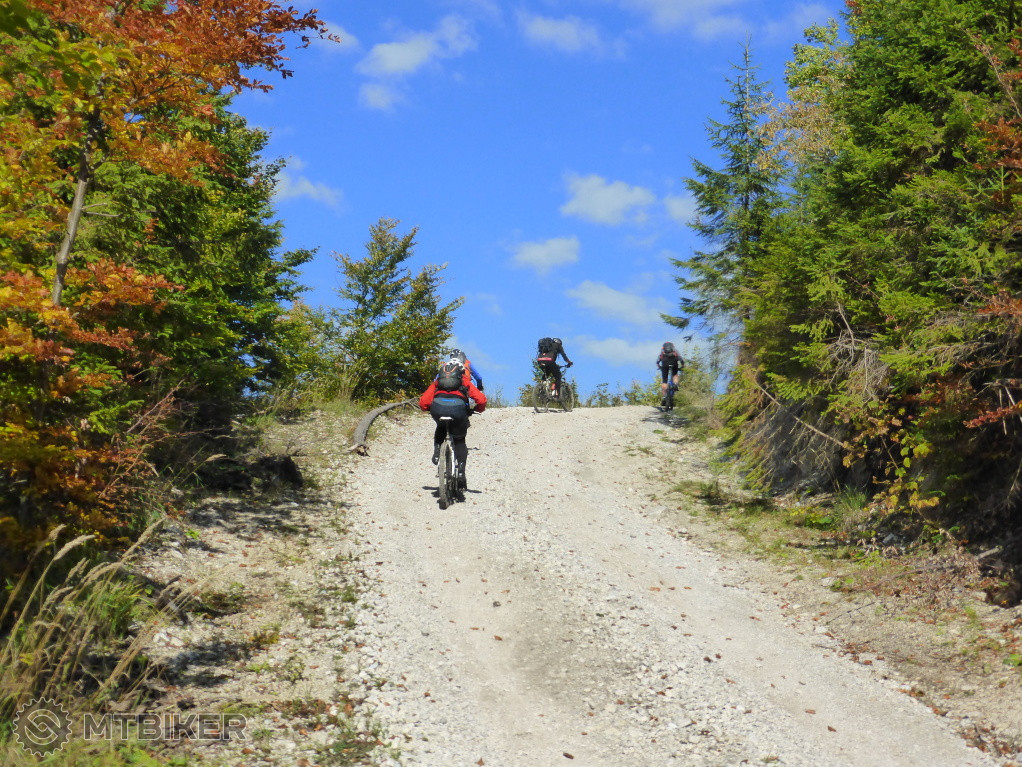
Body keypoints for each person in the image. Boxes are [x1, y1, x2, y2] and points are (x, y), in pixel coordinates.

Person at [420, 356, 486, 489]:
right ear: (460, 371)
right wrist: (477, 409)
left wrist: (427, 408)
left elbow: (423, 402)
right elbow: (481, 400)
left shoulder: (438, 381)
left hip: (438, 408)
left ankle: (437, 451)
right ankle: (461, 472)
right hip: (458, 410)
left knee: (440, 425)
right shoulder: (464, 380)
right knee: (460, 440)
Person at [657, 341, 683, 409]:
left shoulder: (662, 352)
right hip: (674, 364)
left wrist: (659, 366)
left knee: (664, 381)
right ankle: (675, 385)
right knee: (675, 375)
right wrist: (682, 365)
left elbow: (658, 361)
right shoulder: (675, 351)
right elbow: (680, 359)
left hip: (665, 365)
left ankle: (664, 397)